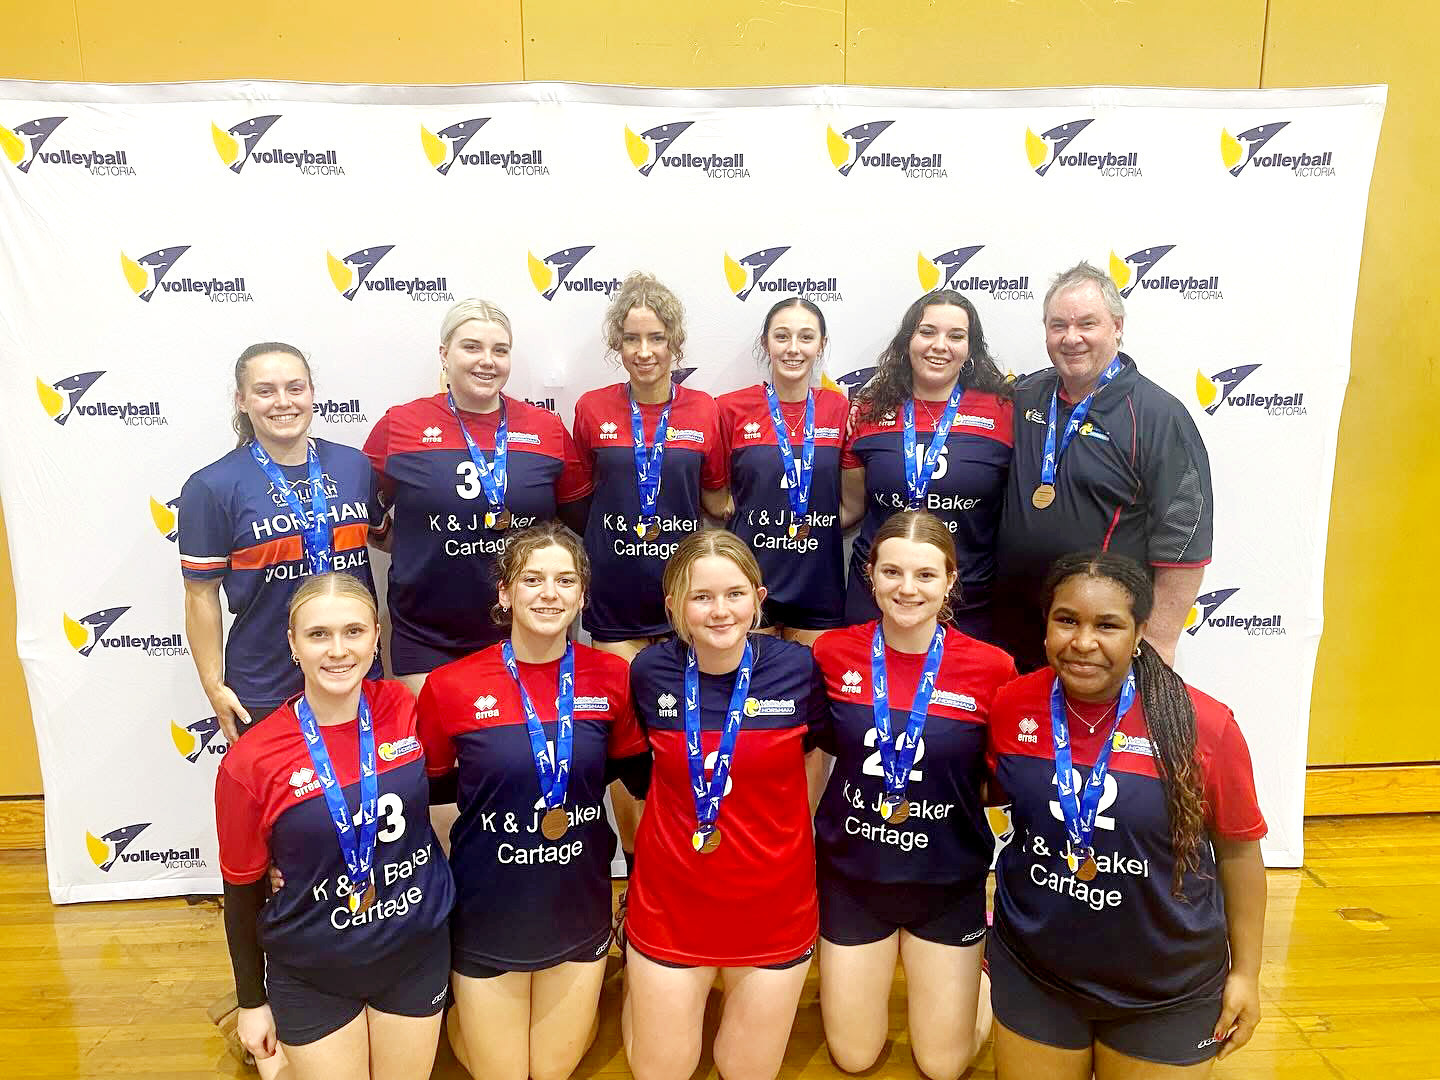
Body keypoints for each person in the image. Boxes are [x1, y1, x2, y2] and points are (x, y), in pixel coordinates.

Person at [986, 551, 1266, 1078]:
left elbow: (1239, 853)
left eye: (1107, 625)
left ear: (1140, 631)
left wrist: (1247, 973)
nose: (1083, 642)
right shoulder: (1011, 706)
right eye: (1066, 620)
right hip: (1037, 974)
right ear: (1045, 626)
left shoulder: (1203, 724)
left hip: (1166, 988)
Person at [415, 524, 651, 1080]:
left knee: (549, 1073)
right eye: (532, 579)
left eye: (565, 580)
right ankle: (459, 1010)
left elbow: (638, 787)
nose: (549, 593)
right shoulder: (451, 686)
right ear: (505, 592)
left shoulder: (613, 677)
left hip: (577, 903)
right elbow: (435, 804)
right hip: (489, 909)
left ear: (582, 596)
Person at [215, 572, 455, 1080]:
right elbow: (239, 890)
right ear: (293, 644)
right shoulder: (251, 760)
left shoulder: (406, 707)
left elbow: (457, 787)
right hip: (313, 967)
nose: (338, 650)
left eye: (354, 631)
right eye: (318, 634)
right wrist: (251, 1001)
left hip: (414, 952)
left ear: (376, 636)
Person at [811, 510, 1016, 1080]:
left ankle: (977, 974)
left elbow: (1003, 779)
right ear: (870, 575)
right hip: (854, 875)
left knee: (943, 1066)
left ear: (951, 581)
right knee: (853, 1058)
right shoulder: (831, 653)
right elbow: (808, 750)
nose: (907, 588)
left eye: (925, 575)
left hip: (946, 880)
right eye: (892, 572)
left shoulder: (991, 667)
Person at [622, 529, 824, 1080]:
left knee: (744, 1071)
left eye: (735, 593)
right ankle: (641, 987)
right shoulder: (649, 673)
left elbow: (816, 755)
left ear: (760, 597)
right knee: (662, 1071)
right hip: (672, 897)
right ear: (674, 606)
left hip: (772, 900)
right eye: (700, 597)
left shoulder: (800, 669)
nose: (719, 611)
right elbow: (642, 776)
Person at [570, 272, 728, 877]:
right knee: (626, 740)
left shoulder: (703, 410)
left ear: (675, 344)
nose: (643, 352)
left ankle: (694, 854)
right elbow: (582, 498)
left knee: (690, 733)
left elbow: (715, 499)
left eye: (656, 338)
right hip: (613, 601)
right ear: (618, 343)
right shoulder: (592, 409)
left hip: (684, 602)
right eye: (631, 339)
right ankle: (640, 871)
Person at [362, 299, 591, 696]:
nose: (487, 361)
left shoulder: (546, 429)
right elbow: (362, 512)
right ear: (444, 354)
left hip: (529, 631)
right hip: (429, 638)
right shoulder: (400, 425)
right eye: (472, 347)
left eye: (499, 351)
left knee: (525, 753)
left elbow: (577, 523)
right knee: (437, 757)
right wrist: (413, 546)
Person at [993, 262, 1213, 672]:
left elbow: (1183, 540)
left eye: (1086, 324)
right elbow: (954, 408)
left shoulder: (1156, 415)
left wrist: (1160, 642)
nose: (1071, 338)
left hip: (1099, 635)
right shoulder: (1023, 396)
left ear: (1116, 325)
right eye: (1058, 325)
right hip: (1010, 627)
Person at [181, 342, 380, 743]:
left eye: (295, 388)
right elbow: (200, 594)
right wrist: (213, 685)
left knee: (362, 796)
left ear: (311, 393)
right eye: (265, 391)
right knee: (278, 804)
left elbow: (385, 538)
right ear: (241, 400)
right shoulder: (211, 486)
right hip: (265, 682)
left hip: (353, 670)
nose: (283, 402)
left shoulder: (354, 466)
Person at [840, 289, 1013, 644]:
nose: (940, 345)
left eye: (956, 336)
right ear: (908, 340)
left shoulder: (1004, 411)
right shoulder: (867, 411)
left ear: (970, 349)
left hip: (969, 598)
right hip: (878, 593)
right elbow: (852, 507)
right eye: (927, 331)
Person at [715, 297, 849, 645]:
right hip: (749, 577)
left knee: (811, 692)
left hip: (818, 579)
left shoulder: (840, 408)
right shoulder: (730, 408)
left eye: (806, 337)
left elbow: (852, 501)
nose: (793, 348)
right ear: (765, 343)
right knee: (754, 693)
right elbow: (713, 494)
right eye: (782, 336)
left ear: (822, 344)